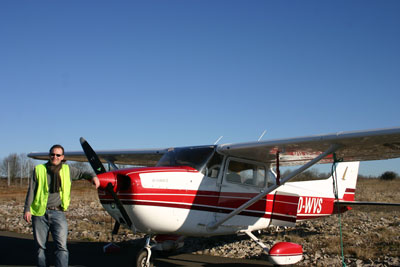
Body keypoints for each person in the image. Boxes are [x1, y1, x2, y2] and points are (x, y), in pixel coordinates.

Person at [23, 144, 100, 267]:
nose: (55, 157)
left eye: (58, 155)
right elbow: (31, 190)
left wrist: (93, 177)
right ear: (49, 155)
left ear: (62, 157)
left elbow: (83, 173)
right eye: (53, 154)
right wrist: (27, 209)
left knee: (62, 247)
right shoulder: (39, 170)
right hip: (39, 213)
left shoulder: (67, 170)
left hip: (58, 212)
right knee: (40, 248)